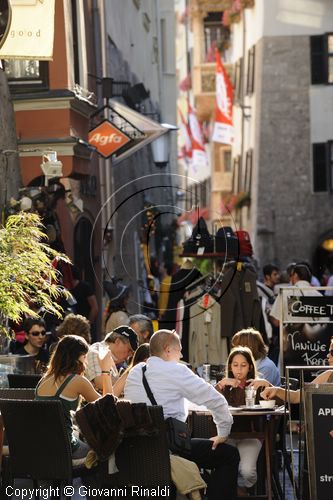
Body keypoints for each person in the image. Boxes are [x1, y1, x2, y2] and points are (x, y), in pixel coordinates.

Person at [124, 329, 239, 500]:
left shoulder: (135, 372)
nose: (182, 354)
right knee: (230, 455)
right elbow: (217, 401)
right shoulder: (177, 371)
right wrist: (223, 433)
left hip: (137, 450)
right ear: (168, 349)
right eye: (179, 349)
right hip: (169, 449)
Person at [35, 335, 113, 459]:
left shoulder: (44, 379)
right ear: (77, 358)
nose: (86, 361)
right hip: (65, 449)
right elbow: (108, 406)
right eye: (85, 356)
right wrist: (105, 370)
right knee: (105, 452)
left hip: (40, 446)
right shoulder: (77, 381)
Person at [216, 346, 265, 496]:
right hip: (226, 435)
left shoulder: (256, 385)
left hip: (250, 435)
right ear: (229, 366)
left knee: (247, 471)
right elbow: (209, 403)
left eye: (243, 365)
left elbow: (276, 403)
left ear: (250, 367)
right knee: (223, 470)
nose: (239, 369)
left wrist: (267, 385)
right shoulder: (224, 385)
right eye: (235, 365)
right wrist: (221, 386)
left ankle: (241, 488)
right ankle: (235, 490)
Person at [261, 336, 333, 403]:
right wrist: (275, 389)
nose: (328, 355)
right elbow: (297, 396)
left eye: (332, 352)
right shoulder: (328, 375)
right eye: (329, 352)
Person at [85, 325, 138, 392]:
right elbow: (100, 382)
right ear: (117, 341)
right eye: (129, 350)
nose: (130, 355)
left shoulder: (115, 357)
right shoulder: (96, 351)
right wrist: (132, 383)